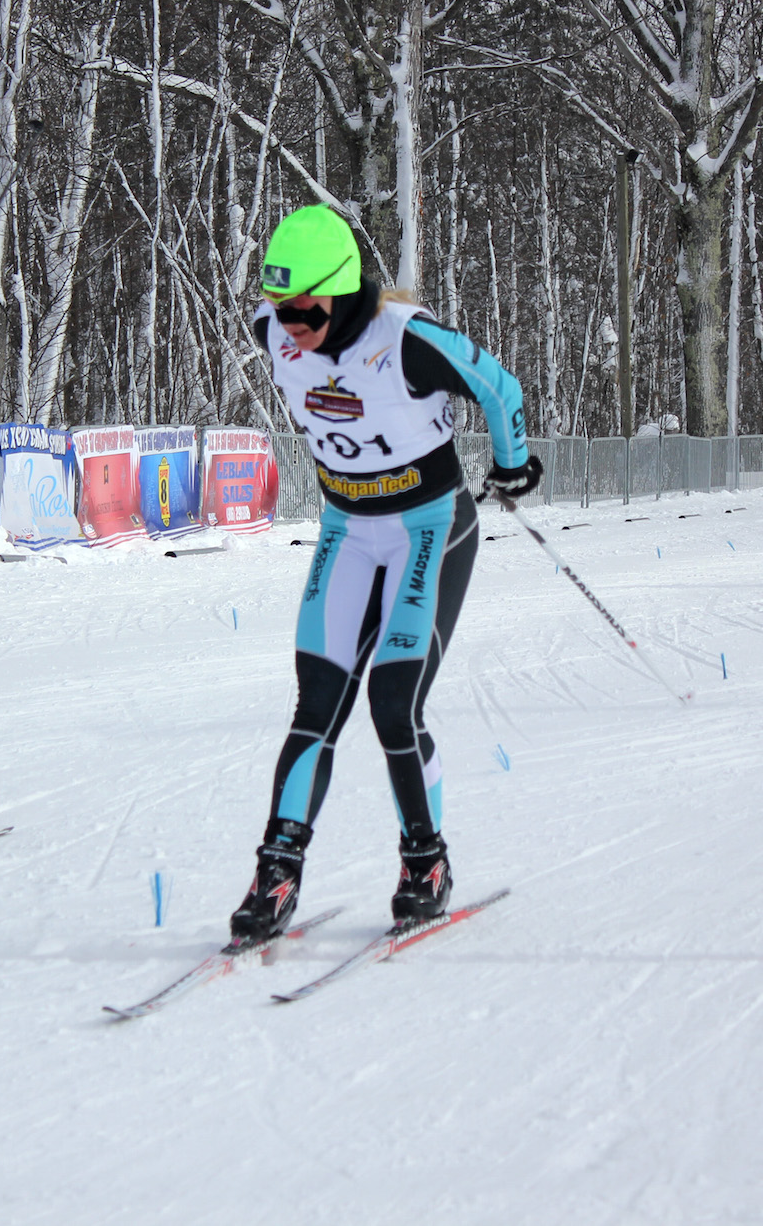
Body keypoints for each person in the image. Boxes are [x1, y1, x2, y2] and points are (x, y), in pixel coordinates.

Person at [228, 204, 540, 943]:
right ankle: (277, 871)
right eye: (279, 305)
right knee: (317, 704)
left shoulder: (407, 342)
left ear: (342, 290)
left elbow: (500, 388)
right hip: (347, 531)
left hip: (427, 529)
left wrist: (512, 462)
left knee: (393, 701)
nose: (290, 322)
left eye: (306, 305)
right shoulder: (274, 332)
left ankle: (425, 863)